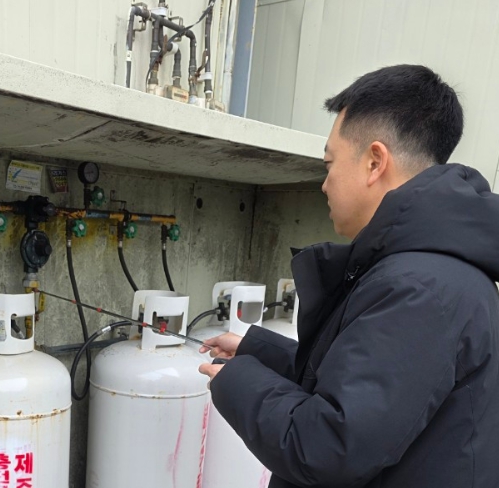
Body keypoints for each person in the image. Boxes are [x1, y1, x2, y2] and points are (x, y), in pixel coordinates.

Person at [198, 64, 499, 488]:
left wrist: (236, 382)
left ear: (375, 162)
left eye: (330, 163)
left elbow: (328, 446)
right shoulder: (425, 269)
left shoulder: (421, 288)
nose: (325, 184)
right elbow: (356, 380)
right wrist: (256, 350)